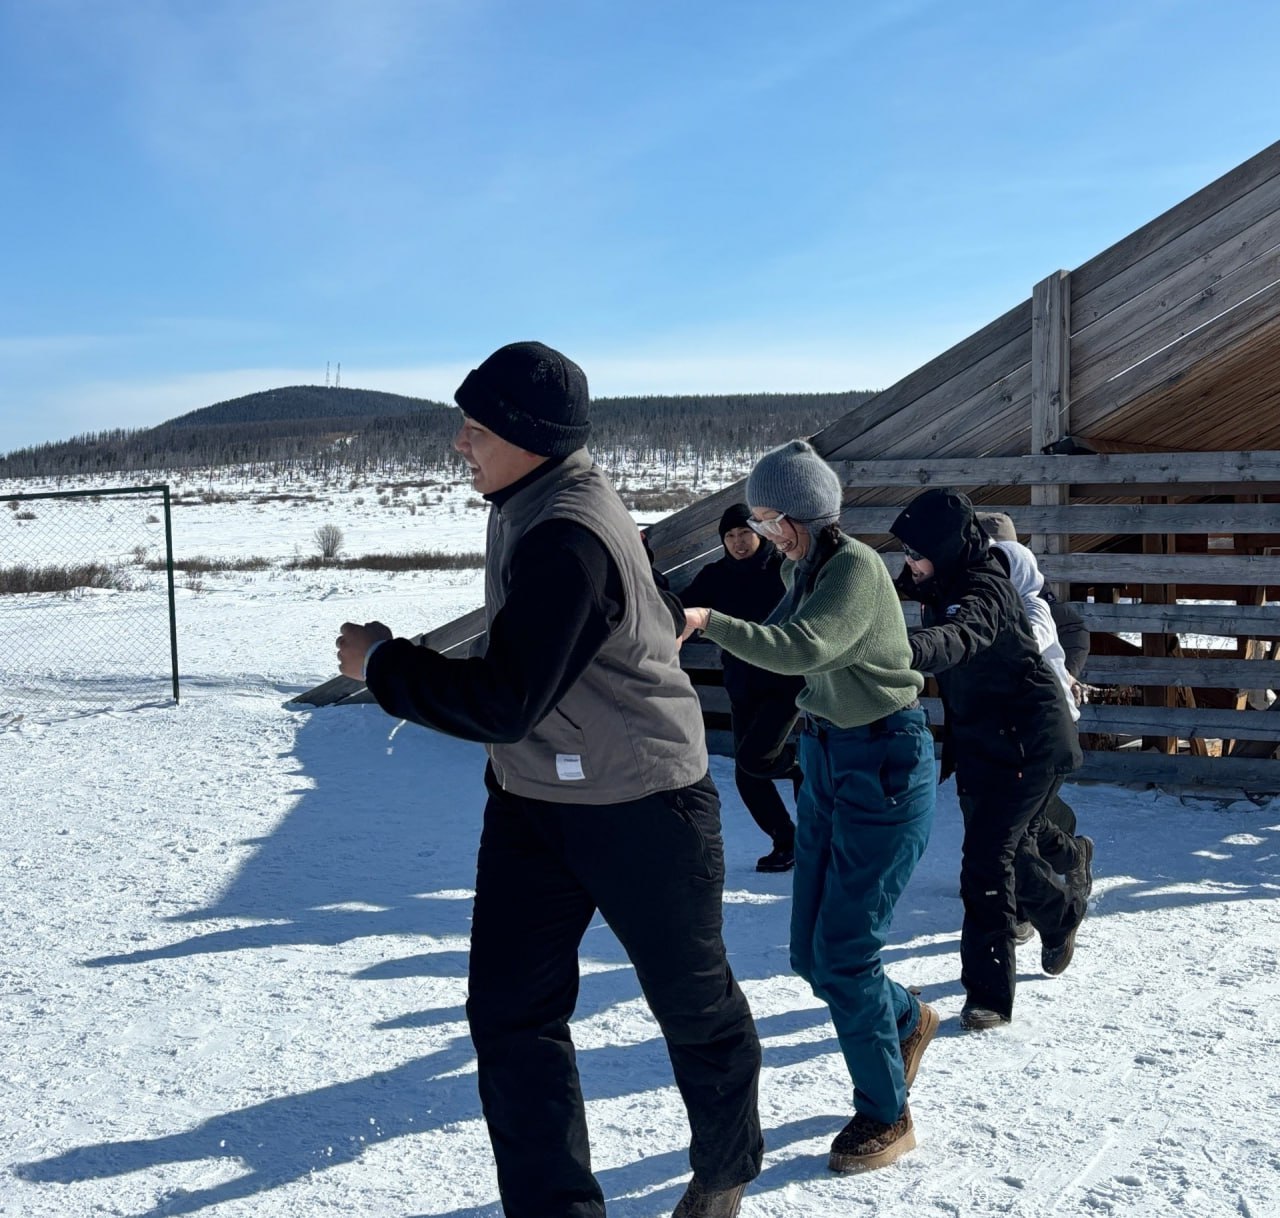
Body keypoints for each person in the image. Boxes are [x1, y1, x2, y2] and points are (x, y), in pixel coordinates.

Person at [336, 342, 762, 1218]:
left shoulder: (566, 534)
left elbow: (503, 701)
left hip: (646, 803)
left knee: (693, 1002)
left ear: (530, 437)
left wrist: (382, 664)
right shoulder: (524, 498)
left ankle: (725, 1172)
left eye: (477, 428)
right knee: (511, 1015)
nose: (460, 443)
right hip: (535, 803)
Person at [681, 440, 938, 1174]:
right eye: (757, 521)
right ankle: (905, 1018)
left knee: (847, 954)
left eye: (770, 519)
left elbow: (804, 648)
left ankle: (888, 1116)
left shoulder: (853, 569)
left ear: (808, 514)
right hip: (827, 760)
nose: (764, 534)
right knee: (809, 955)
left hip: (883, 762)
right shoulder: (805, 566)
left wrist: (709, 622)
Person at [891, 489, 1092, 1033]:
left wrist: (900, 650)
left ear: (949, 547)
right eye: (905, 553)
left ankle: (988, 996)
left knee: (985, 862)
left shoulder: (985, 589)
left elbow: (960, 636)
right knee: (1008, 849)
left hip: (1028, 741)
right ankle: (1062, 910)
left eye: (917, 553)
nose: (909, 564)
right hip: (983, 743)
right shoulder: (938, 578)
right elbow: (889, 591)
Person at [976, 513, 1093, 945]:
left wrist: (1070, 673)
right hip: (995, 731)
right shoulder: (971, 593)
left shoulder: (1034, 596)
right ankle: (1067, 859)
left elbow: (1062, 635)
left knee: (1018, 828)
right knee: (1012, 825)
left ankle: (1033, 905)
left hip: (1040, 729)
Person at [679, 503, 804, 872]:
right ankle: (787, 841)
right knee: (746, 775)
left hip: (785, 682)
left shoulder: (781, 570)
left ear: (759, 533)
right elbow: (679, 606)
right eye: (730, 536)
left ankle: (800, 771)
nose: (738, 542)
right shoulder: (715, 575)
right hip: (741, 685)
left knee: (756, 758)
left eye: (744, 534)